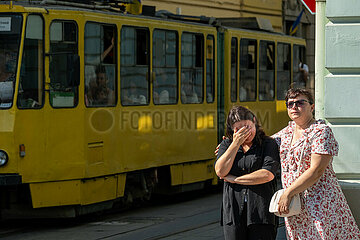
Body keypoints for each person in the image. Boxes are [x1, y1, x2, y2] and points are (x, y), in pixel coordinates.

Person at [272, 88, 360, 239]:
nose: (294, 107)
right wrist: (231, 145)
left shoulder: (320, 131)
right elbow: (261, 145)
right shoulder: (286, 132)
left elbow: (316, 171)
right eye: (290, 104)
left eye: (300, 102)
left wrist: (288, 193)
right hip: (297, 205)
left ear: (312, 107)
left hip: (320, 203)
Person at [215, 106, 280, 240]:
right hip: (234, 212)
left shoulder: (268, 144)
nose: (244, 133)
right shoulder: (226, 145)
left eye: (247, 127)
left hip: (261, 212)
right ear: (232, 130)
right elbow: (220, 171)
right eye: (238, 129)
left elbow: (267, 174)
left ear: (254, 122)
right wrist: (235, 144)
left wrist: (235, 179)